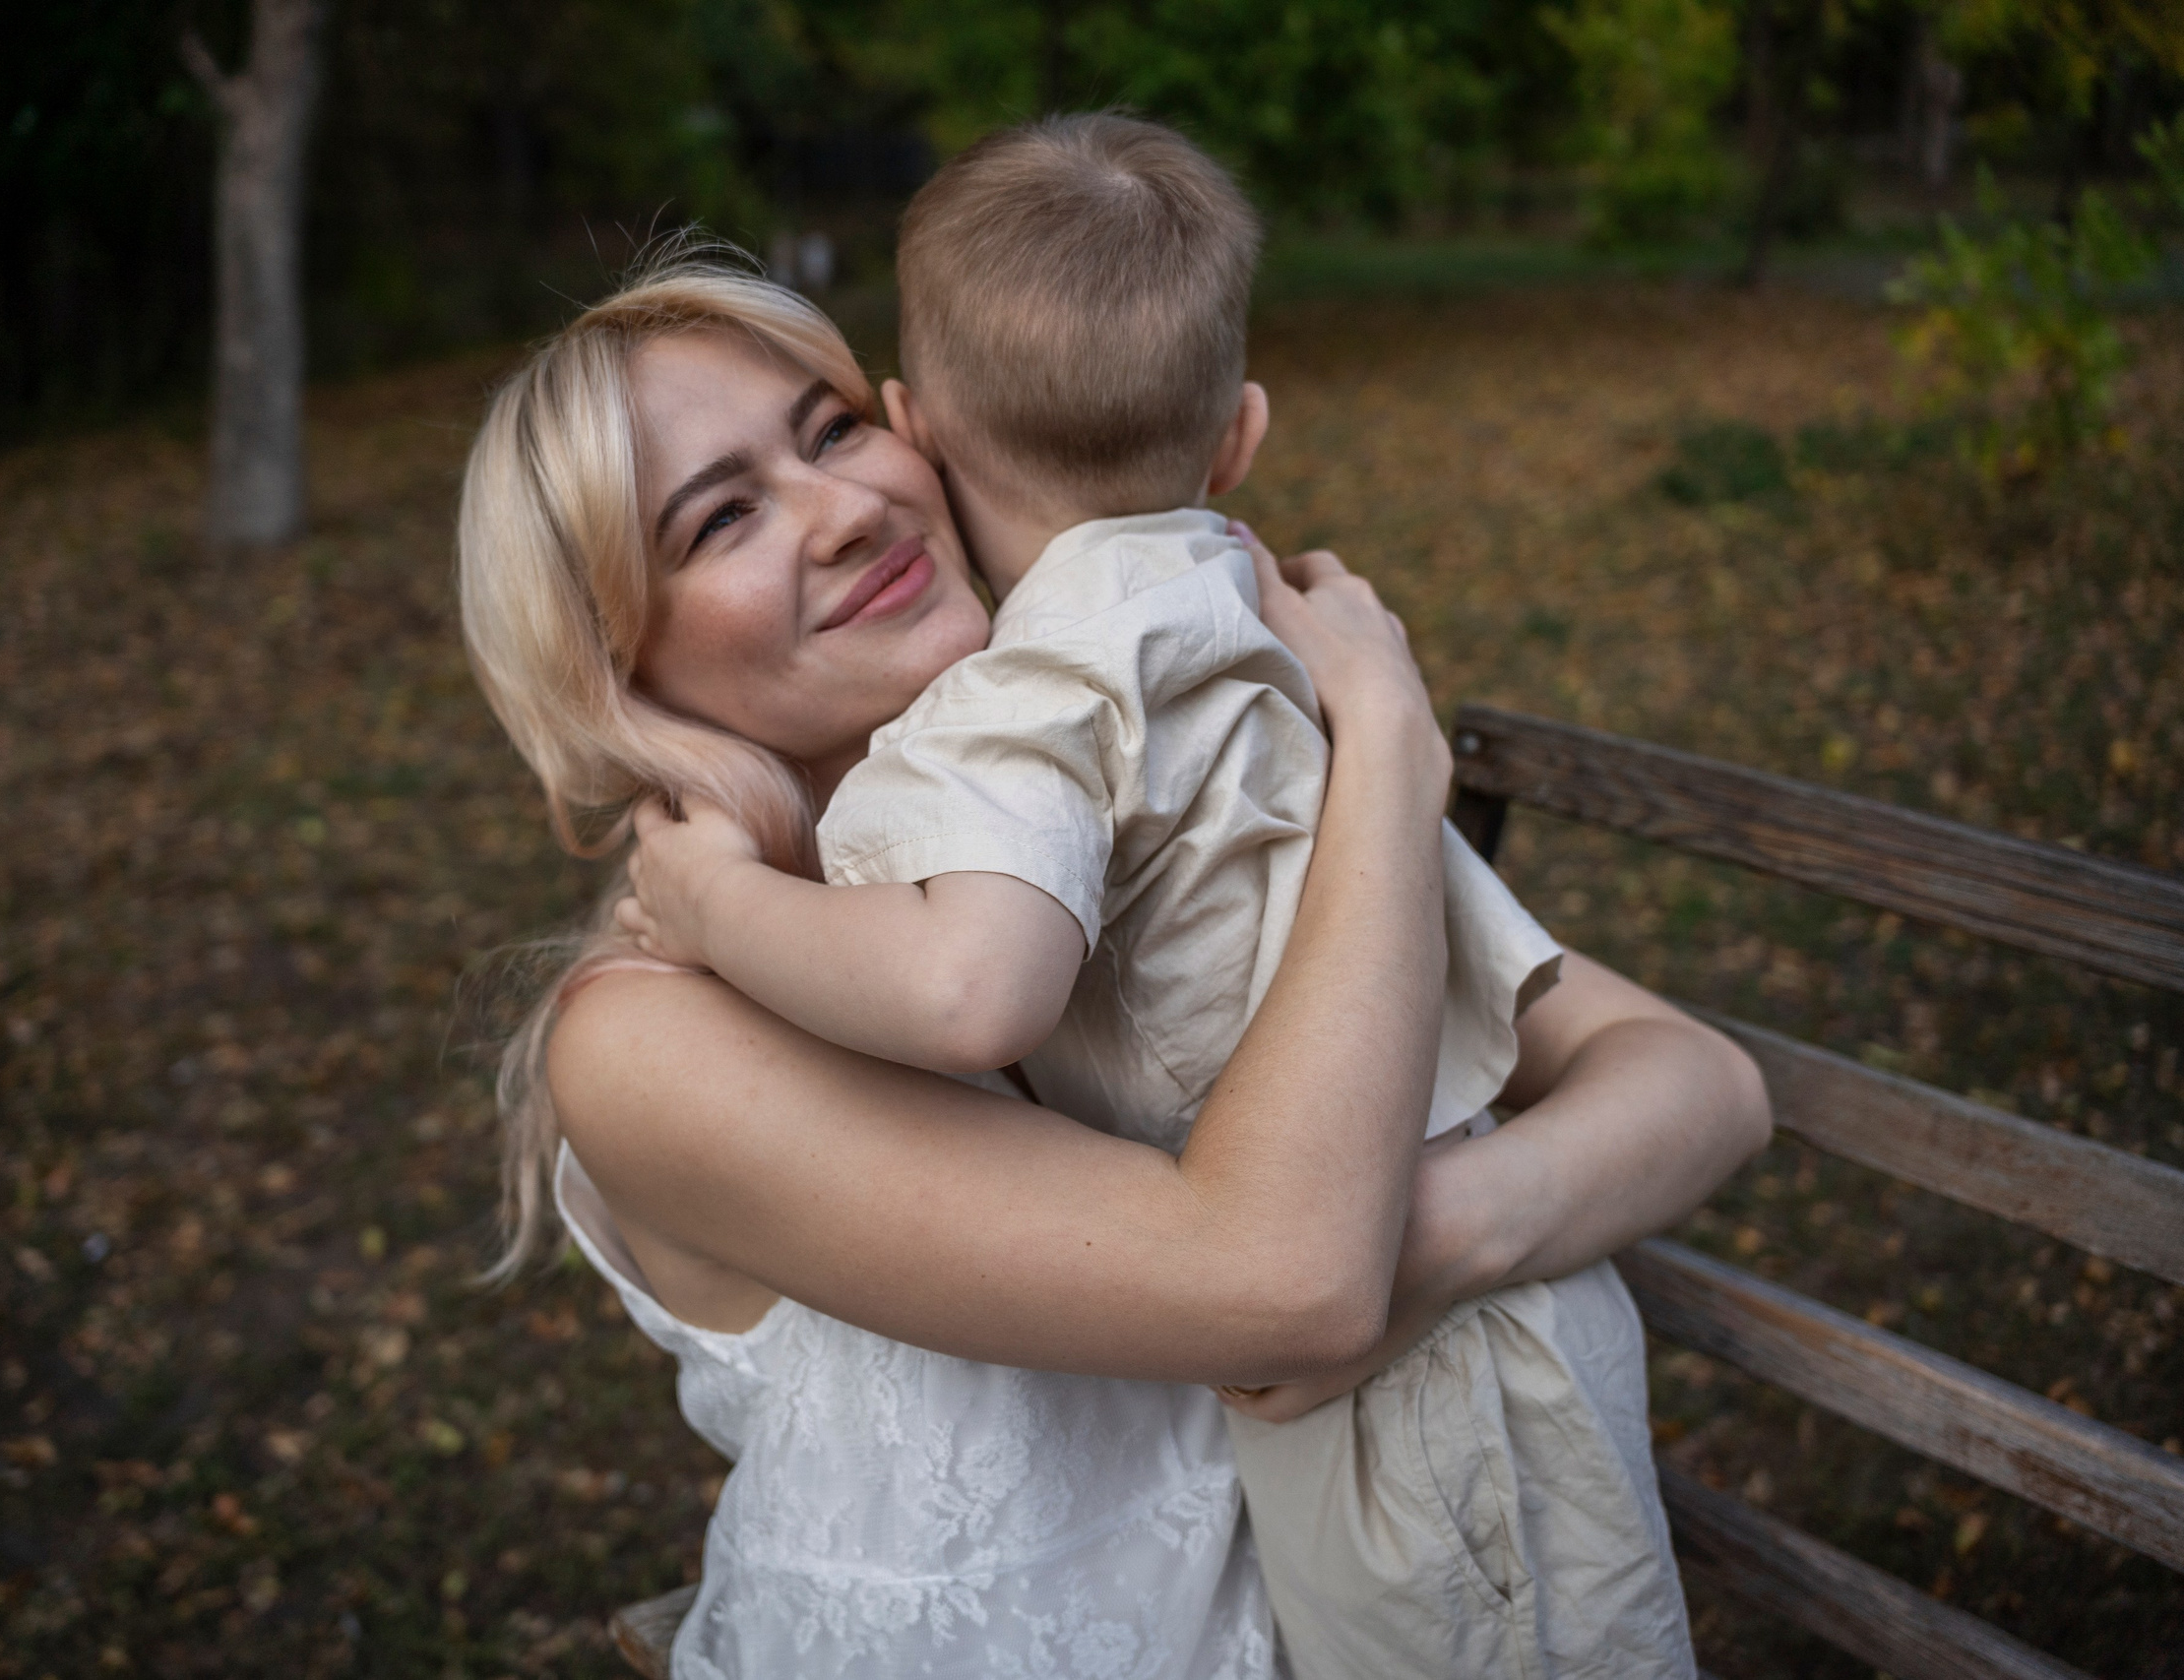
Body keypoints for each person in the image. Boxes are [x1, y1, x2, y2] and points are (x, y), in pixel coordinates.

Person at [455, 250, 1771, 1676]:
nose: (843, 510)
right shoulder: (649, 1041)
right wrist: (1391, 748)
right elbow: (1290, 1281)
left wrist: (1451, 1230)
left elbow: (1697, 1080)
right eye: (722, 519)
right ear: (614, 667)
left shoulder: (1142, 790)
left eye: (833, 428)